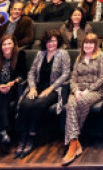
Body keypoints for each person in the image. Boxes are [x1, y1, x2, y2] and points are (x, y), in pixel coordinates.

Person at [14, 30, 71, 158]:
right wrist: (33, 88)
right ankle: (23, 138)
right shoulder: (40, 54)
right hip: (38, 87)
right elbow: (31, 72)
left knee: (38, 104)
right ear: (45, 42)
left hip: (54, 89)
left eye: (54, 41)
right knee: (25, 104)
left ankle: (31, 138)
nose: (51, 44)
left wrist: (50, 88)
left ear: (58, 42)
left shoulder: (63, 54)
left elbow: (66, 74)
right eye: (49, 41)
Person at [62, 33, 103, 165]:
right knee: (71, 103)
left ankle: (72, 145)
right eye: (86, 43)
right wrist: (76, 90)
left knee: (82, 101)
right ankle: (74, 142)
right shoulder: (79, 57)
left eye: (91, 43)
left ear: (95, 45)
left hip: (95, 90)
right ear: (83, 45)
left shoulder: (101, 56)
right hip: (78, 90)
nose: (88, 45)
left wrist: (88, 90)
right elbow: (73, 78)